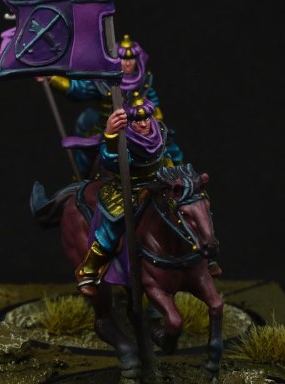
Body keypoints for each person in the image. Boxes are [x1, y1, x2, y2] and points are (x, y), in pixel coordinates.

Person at [44, 34, 183, 178]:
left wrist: (155, 117)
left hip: (140, 128)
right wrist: (52, 78)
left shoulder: (144, 80)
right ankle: (81, 181)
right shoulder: (104, 81)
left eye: (131, 59)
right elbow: (79, 89)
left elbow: (154, 102)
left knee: (168, 144)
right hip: (108, 127)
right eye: (123, 58)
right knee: (87, 154)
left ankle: (179, 177)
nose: (127, 63)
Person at [75, 95, 172, 296]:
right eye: (137, 120)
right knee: (111, 229)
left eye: (146, 119)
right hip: (127, 189)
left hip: (157, 186)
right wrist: (111, 136)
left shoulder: (160, 131)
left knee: (190, 208)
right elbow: (110, 161)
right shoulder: (121, 138)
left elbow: (165, 156)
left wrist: (173, 175)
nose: (143, 124)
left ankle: (204, 254)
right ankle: (89, 269)